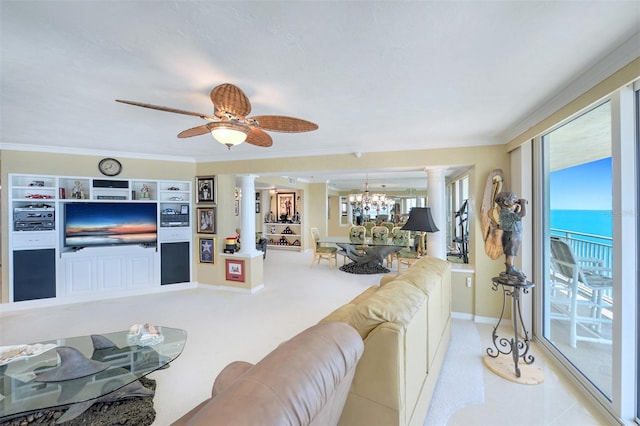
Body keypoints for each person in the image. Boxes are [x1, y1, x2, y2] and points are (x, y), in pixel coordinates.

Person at [495, 191, 527, 280]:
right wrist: (523, 204)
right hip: (511, 235)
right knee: (510, 253)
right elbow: (522, 214)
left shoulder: (506, 212)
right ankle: (510, 268)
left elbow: (514, 217)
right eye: (513, 200)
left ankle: (510, 268)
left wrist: (516, 208)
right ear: (506, 203)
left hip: (512, 235)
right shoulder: (505, 212)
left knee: (510, 253)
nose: (515, 201)